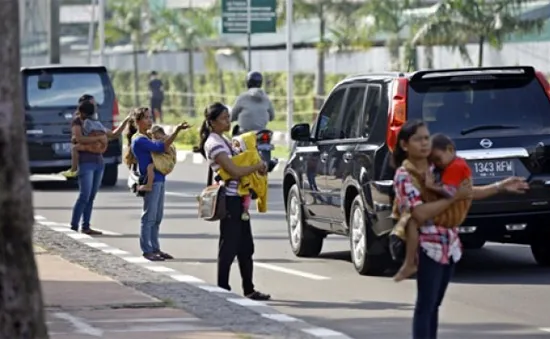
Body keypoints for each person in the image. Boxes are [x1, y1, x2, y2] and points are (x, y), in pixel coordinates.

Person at [391, 120, 529, 339]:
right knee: (426, 305)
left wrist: (499, 187)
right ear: (405, 145)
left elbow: (464, 192)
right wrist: (453, 198)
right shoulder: (404, 175)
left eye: (427, 138)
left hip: (449, 242)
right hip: (427, 245)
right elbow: (419, 213)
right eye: (418, 139)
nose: (425, 143)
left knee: (434, 304)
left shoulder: (435, 166)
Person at [196, 102, 271, 300]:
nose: (228, 121)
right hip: (229, 201)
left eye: (228, 117)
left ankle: (249, 288)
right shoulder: (213, 144)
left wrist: (257, 166)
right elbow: (234, 171)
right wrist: (256, 166)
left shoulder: (225, 139)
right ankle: (222, 288)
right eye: (223, 118)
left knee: (246, 246)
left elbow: (241, 163)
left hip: (240, 199)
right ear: (212, 122)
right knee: (229, 246)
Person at [393, 133, 473, 282]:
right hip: (448, 230)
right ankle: (409, 262)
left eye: (437, 159)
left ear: (450, 149)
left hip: (445, 223)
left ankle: (409, 262)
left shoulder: (455, 167)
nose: (437, 163)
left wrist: (432, 186)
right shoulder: (452, 165)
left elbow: (451, 193)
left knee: (412, 220)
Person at [124, 107, 190, 261]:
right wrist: (176, 131)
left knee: (157, 216)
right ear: (138, 121)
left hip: (159, 179)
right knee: (148, 217)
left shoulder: (146, 137)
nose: (149, 120)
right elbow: (162, 147)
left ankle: (155, 248)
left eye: (150, 117)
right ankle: (147, 250)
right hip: (151, 180)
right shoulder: (139, 139)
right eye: (146, 118)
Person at [70, 100, 130, 235]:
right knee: (84, 195)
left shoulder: (96, 124)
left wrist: (125, 121)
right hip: (86, 162)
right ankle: (74, 226)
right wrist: (100, 139)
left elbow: (113, 134)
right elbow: (79, 139)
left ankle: (86, 226)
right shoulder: (78, 122)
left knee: (91, 196)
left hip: (98, 162)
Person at [216, 131, 268, 221]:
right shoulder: (256, 154)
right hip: (256, 182)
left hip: (246, 181)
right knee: (249, 195)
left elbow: (234, 163)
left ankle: (245, 210)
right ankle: (254, 209)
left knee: (245, 195)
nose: (235, 148)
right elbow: (263, 166)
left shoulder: (246, 155)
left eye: (237, 145)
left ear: (245, 144)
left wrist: (220, 175)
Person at [61, 94, 99, 178]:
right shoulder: (79, 117)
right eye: (93, 103)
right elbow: (77, 135)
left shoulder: (94, 115)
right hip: (84, 143)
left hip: (92, 146)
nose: (95, 105)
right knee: (75, 148)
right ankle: (74, 169)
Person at [138, 125, 177, 192]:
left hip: (166, 161)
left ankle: (149, 185)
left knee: (150, 167)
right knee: (151, 167)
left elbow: (161, 146)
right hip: (166, 161)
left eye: (155, 135)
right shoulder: (163, 139)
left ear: (159, 133)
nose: (154, 137)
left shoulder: (165, 139)